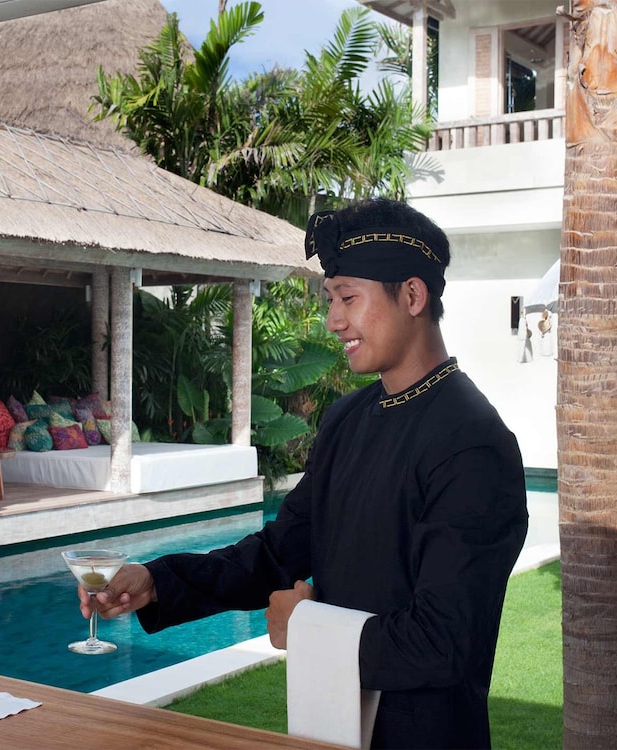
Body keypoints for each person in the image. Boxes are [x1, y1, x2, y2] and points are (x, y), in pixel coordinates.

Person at [75, 199, 529, 750]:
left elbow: (445, 642)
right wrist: (157, 581)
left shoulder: (473, 445)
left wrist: (309, 630)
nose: (334, 320)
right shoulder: (347, 420)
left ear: (413, 296)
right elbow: (278, 552)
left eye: (348, 298)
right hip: (325, 727)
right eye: (330, 299)